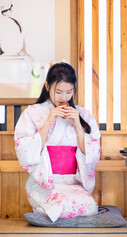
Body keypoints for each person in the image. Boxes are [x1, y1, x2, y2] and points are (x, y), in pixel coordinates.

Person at [14, 62, 101, 222]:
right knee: (58, 207)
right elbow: (25, 151)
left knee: (89, 208)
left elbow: (92, 154)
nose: (64, 98)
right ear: (47, 86)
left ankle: (44, 212)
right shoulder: (32, 113)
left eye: (69, 92)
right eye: (58, 92)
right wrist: (49, 121)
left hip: (73, 184)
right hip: (44, 184)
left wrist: (77, 123)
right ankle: (45, 208)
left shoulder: (83, 115)